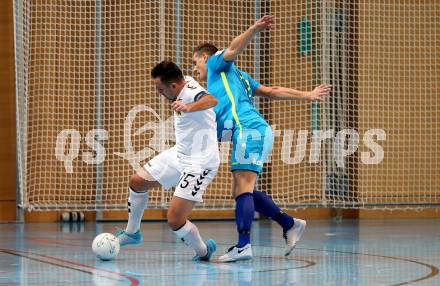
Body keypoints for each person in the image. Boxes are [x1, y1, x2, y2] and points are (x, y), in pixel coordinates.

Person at [192, 15, 331, 262]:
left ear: (205, 57)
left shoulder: (216, 64)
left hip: (250, 129)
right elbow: (271, 92)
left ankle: (244, 245)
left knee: (243, 186)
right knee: (240, 190)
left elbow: (234, 48)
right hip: (251, 130)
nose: (194, 69)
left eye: (195, 62)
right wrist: (306, 95)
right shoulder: (238, 76)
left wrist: (253, 29)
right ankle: (289, 224)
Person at [116, 61, 220, 261]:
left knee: (174, 220)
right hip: (180, 154)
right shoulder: (184, 82)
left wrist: (189, 107)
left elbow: (211, 100)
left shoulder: (190, 94)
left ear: (173, 86)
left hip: (200, 163)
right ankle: (132, 232)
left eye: (160, 89)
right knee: (137, 182)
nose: (159, 93)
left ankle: (203, 251)